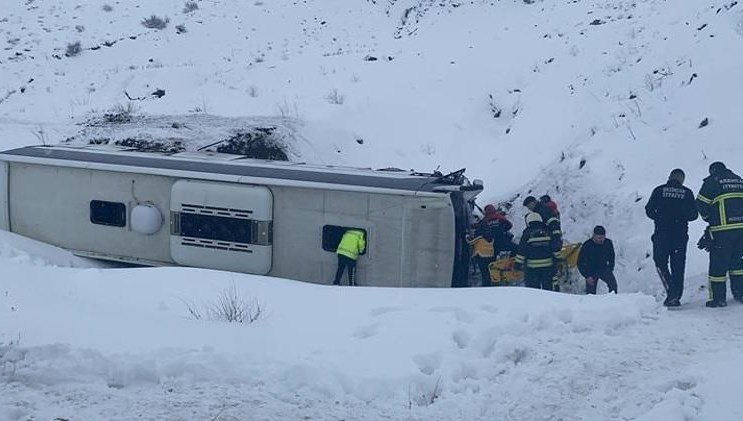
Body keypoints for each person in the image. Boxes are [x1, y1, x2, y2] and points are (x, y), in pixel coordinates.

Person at [645, 168, 699, 307]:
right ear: (682, 179)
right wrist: (680, 216)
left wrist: (660, 217)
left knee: (660, 262)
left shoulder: (659, 190)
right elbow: (694, 215)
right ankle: (675, 295)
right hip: (680, 235)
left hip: (662, 233)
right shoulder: (687, 193)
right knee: (678, 266)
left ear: (670, 177)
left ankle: (671, 291)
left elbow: (649, 210)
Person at [696, 161, 743, 307]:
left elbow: (701, 204)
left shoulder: (712, 182)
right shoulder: (739, 180)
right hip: (741, 229)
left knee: (718, 265)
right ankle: (740, 293)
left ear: (713, 171)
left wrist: (709, 219)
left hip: (722, 230)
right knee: (737, 263)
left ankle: (718, 298)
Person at [469, 204, 517, 286]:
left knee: (490, 263)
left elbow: (477, 227)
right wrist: (504, 230)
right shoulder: (500, 217)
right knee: (515, 249)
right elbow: (509, 225)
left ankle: (492, 279)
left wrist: (469, 226)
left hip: (491, 245)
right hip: (503, 241)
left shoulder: (485, 220)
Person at [514, 212, 556, 291]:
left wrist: (518, 264)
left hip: (532, 269)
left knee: (533, 292)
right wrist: (559, 258)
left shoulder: (527, 233)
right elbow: (554, 247)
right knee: (548, 290)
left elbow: (521, 251)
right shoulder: (548, 232)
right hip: (548, 268)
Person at [578, 225, 618, 294]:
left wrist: (610, 268)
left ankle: (612, 301)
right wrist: (587, 276)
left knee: (613, 285)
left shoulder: (608, 243)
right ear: (594, 236)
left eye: (603, 237)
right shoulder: (587, 246)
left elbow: (612, 256)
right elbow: (580, 262)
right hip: (591, 271)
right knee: (591, 294)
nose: (601, 240)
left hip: (603, 268)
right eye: (599, 238)